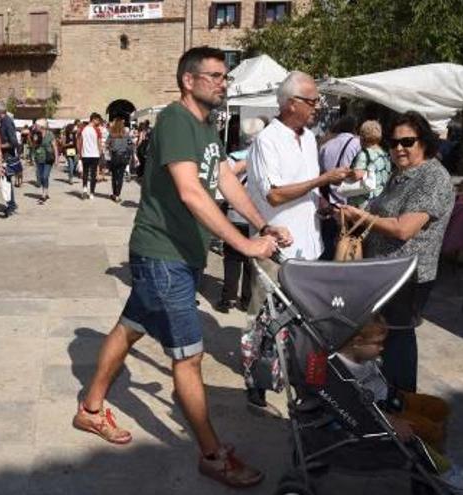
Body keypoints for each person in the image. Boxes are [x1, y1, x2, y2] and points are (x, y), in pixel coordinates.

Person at [73, 46, 292, 489]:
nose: (222, 82)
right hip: (163, 255)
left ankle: (90, 409)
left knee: (130, 327)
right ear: (188, 81)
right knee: (189, 359)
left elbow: (224, 178)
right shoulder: (175, 120)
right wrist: (246, 246)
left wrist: (261, 221)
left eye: (224, 76)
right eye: (213, 75)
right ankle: (213, 455)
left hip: (179, 255)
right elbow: (192, 192)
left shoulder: (206, 124)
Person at [243, 71, 350, 408]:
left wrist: (323, 204)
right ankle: (256, 382)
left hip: (309, 245)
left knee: (304, 320)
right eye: (312, 100)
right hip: (275, 247)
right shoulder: (267, 140)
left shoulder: (308, 137)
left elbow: (302, 188)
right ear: (291, 104)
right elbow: (273, 195)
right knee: (265, 317)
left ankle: (299, 375)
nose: (318, 106)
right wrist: (322, 178)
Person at [340, 111, 454, 393]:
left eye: (407, 142)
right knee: (382, 338)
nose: (399, 148)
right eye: (393, 143)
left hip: (409, 275)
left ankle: (402, 405)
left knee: (398, 338)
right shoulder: (400, 175)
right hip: (385, 272)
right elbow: (381, 213)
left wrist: (363, 218)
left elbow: (404, 229)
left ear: (424, 142)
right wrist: (353, 216)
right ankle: (386, 404)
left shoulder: (433, 177)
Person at [337, 316, 463, 493]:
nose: (382, 348)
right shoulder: (342, 370)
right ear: (357, 342)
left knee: (440, 407)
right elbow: (356, 407)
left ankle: (438, 457)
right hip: (382, 414)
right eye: (377, 343)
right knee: (426, 428)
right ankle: (440, 470)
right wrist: (392, 421)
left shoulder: (364, 355)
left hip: (394, 397)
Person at [215, 118, 267, 313]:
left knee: (231, 257)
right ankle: (246, 299)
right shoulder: (264, 158)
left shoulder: (233, 158)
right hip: (257, 215)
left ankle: (228, 298)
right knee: (250, 259)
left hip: (234, 213)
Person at [317, 115, 363, 259]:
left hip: (327, 202)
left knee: (327, 246)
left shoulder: (325, 145)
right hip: (348, 203)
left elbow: (318, 173)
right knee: (345, 248)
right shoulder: (357, 143)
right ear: (355, 128)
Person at [346, 119, 392, 208]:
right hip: (380, 200)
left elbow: (357, 175)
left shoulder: (364, 154)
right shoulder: (385, 155)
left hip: (363, 202)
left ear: (362, 136)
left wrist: (347, 173)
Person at [0, 101, 19, 216]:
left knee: (6, 182)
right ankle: (11, 204)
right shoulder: (3, 121)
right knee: (6, 181)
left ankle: (11, 205)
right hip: (5, 156)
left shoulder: (7, 122)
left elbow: (13, 142)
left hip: (7, 157)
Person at [105, 117, 133, 203]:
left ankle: (114, 194)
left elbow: (107, 144)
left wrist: (111, 148)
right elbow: (131, 145)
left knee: (114, 176)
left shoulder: (111, 134)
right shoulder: (126, 134)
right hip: (124, 156)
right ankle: (118, 195)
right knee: (120, 177)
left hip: (115, 156)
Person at [30, 119, 57, 204]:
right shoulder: (35, 134)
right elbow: (34, 147)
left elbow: (55, 146)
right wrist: (33, 157)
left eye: (37, 125)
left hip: (48, 158)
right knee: (41, 176)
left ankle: (44, 195)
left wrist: (57, 158)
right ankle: (46, 192)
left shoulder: (50, 134)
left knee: (45, 176)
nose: (35, 127)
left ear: (41, 126)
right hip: (39, 158)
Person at [78, 112, 102, 199]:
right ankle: (91, 193)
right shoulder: (97, 130)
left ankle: (84, 189)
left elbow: (80, 142)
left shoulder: (83, 129)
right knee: (93, 174)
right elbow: (99, 143)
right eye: (98, 120)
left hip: (85, 154)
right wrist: (100, 153)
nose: (98, 122)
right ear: (94, 119)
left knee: (85, 172)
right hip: (95, 155)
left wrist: (79, 153)